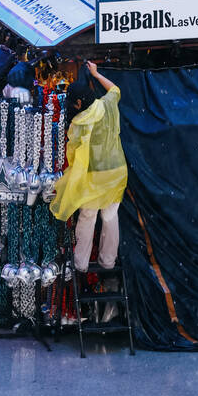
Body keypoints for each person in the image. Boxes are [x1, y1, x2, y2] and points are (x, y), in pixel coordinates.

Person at [51, 61, 128, 273]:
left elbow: (74, 155)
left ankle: (81, 264)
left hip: (95, 176)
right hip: (117, 172)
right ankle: (108, 262)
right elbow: (115, 90)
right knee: (110, 217)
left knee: (87, 217)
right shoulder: (108, 105)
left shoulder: (79, 123)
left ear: (78, 103)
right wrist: (96, 73)